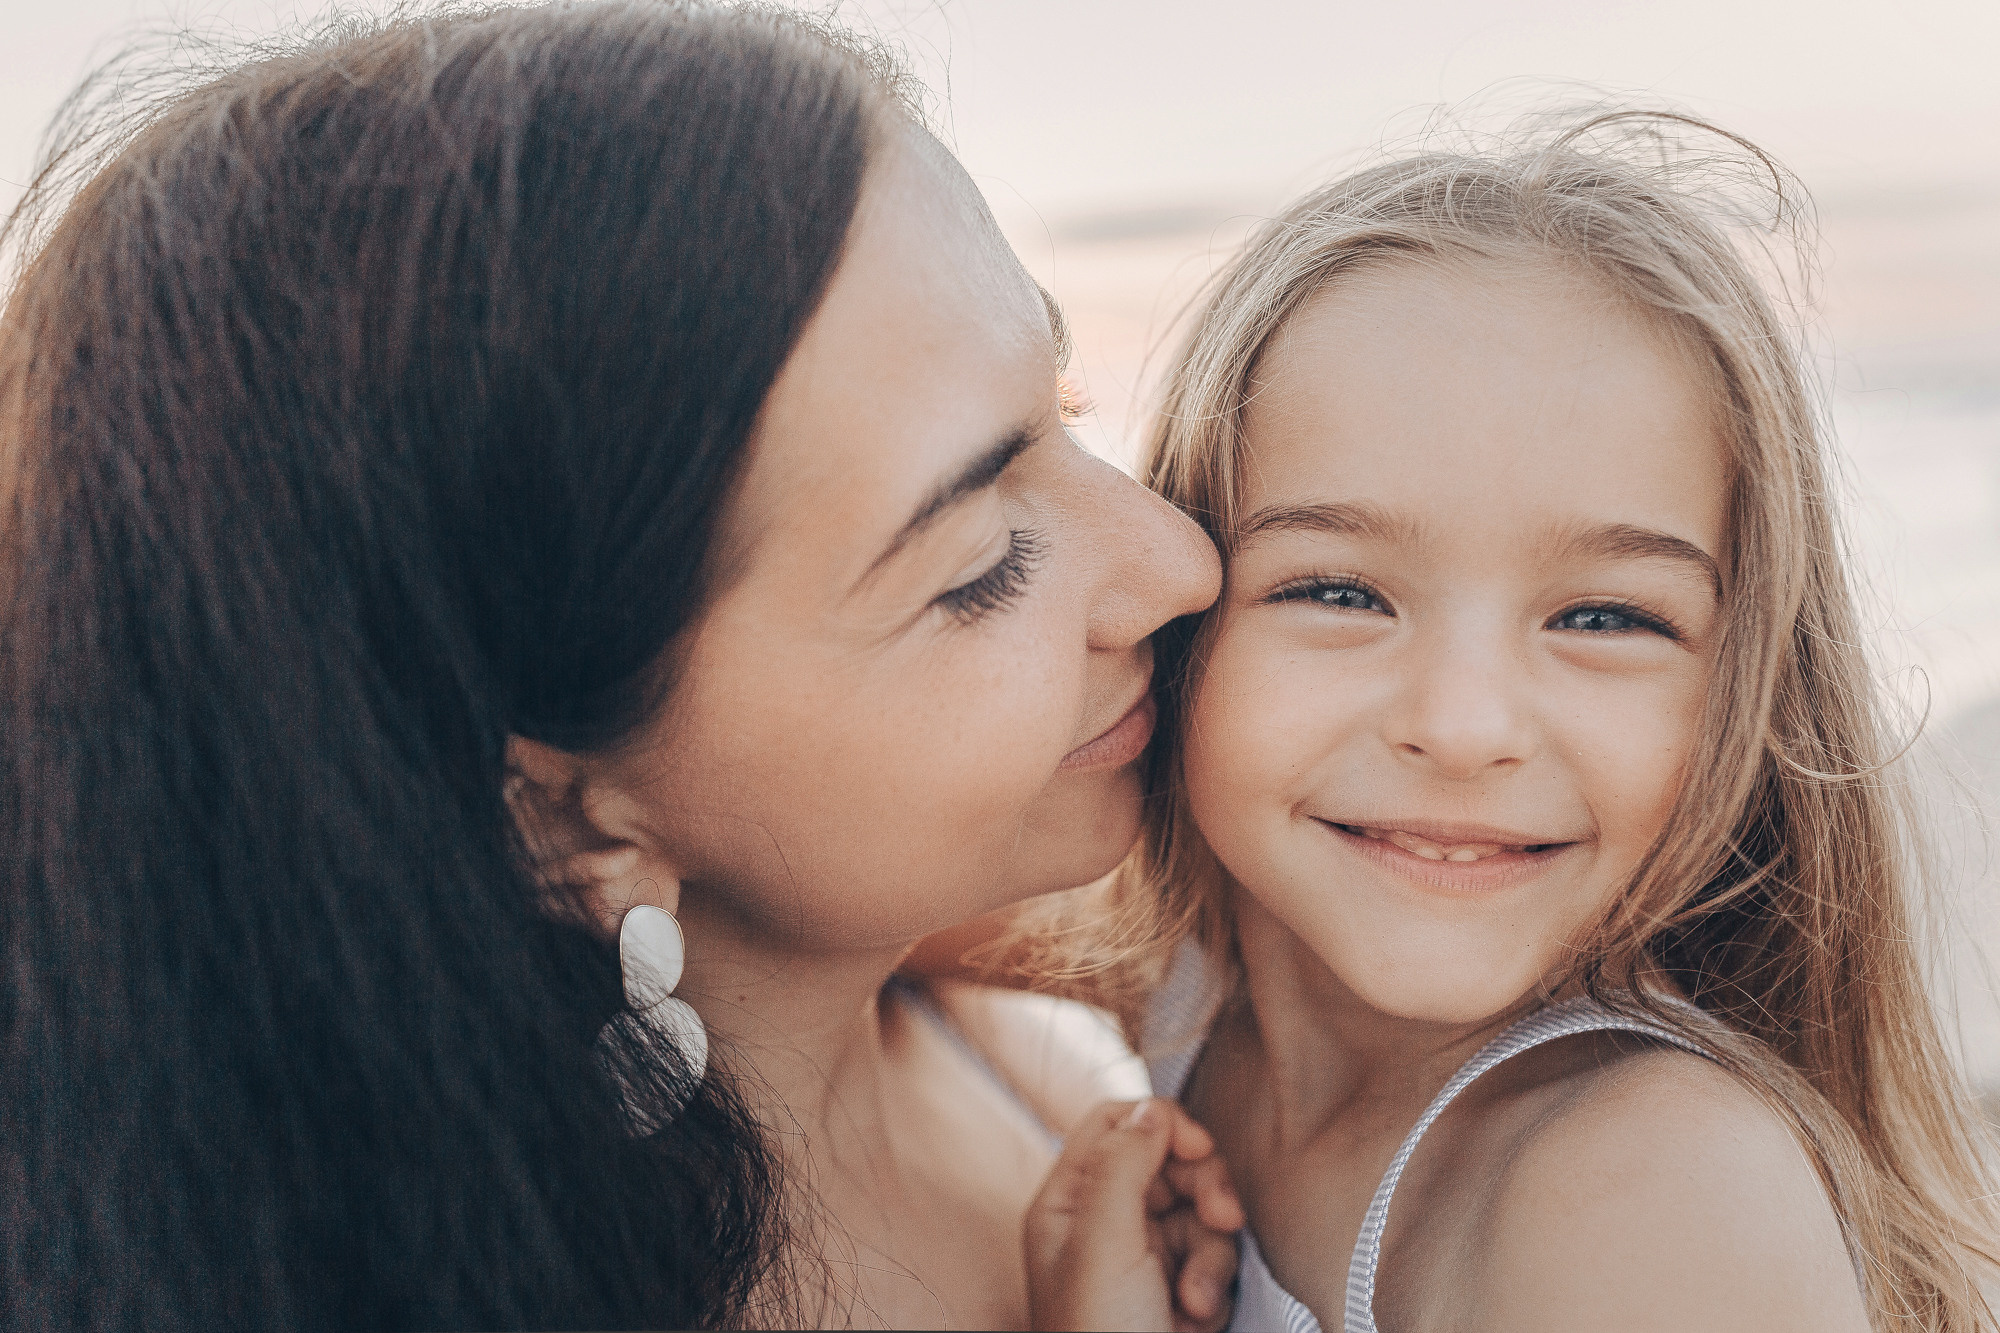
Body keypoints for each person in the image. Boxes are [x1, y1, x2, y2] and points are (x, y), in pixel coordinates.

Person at [0, 3, 1236, 1328]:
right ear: (558, 819)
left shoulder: (1038, 1049)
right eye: (978, 563)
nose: (1180, 562)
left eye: (1067, 408)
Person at [1017, 111, 2000, 1331]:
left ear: (1750, 689)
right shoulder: (1174, 988)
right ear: (1185, 616)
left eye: (1603, 617)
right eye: (1339, 592)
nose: (1462, 725)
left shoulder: (1657, 1194)